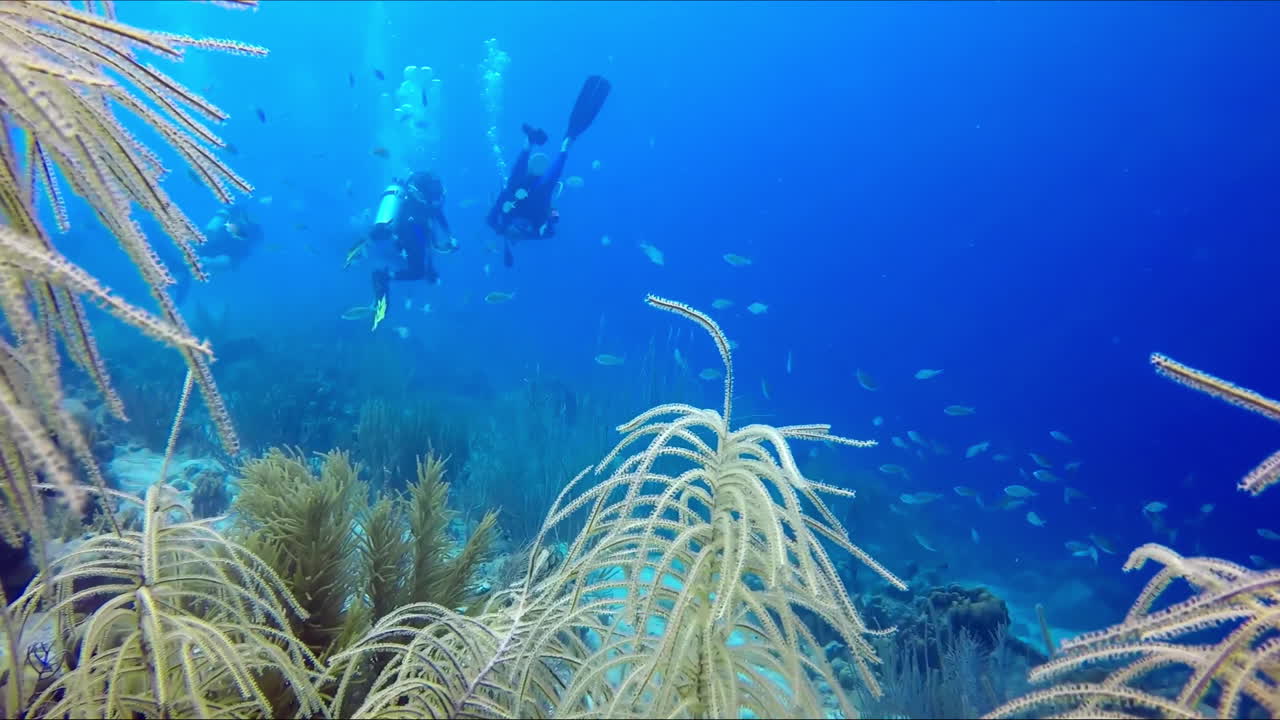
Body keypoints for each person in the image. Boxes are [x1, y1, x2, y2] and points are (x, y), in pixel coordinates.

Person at [487, 75, 611, 267]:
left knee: (515, 183)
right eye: (520, 232)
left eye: (515, 231)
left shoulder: (501, 225)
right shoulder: (535, 232)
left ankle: (529, 144)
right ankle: (563, 147)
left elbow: (492, 215)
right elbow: (550, 232)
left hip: (517, 194)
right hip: (537, 198)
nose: (518, 230)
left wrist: (502, 214)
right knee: (546, 183)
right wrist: (548, 222)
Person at [364, 170, 457, 330]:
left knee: (417, 262)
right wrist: (431, 262)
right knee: (417, 271)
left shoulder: (429, 200)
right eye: (434, 199)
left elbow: (437, 214)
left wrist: (449, 235)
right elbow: (424, 239)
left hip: (411, 235)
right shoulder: (416, 213)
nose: (437, 202)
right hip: (406, 236)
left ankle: (380, 262)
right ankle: (382, 276)